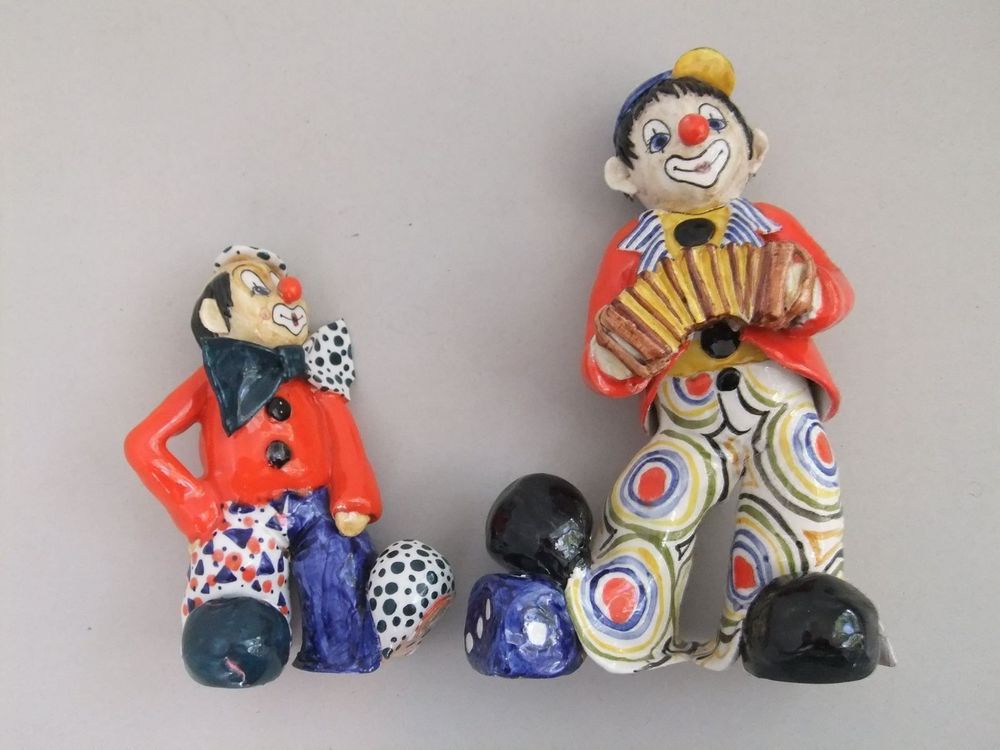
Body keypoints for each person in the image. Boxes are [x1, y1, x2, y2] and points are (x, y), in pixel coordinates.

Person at [564, 48, 885, 681]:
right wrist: (620, 350)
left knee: (801, 480)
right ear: (625, 177)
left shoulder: (772, 226)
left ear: (753, 150)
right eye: (659, 140)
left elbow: (834, 293)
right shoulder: (630, 249)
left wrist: (797, 292)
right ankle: (628, 614)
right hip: (687, 415)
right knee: (654, 496)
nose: (692, 135)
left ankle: (788, 625)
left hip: (777, 398)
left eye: (712, 124)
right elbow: (603, 363)